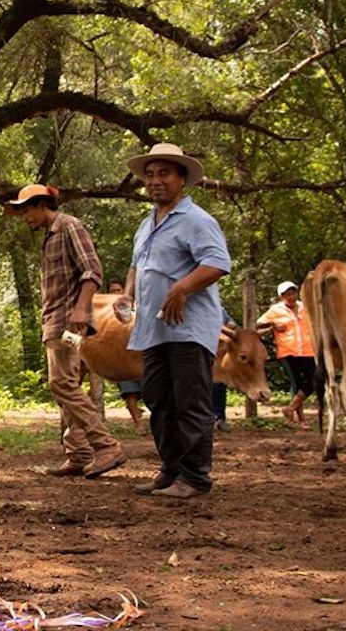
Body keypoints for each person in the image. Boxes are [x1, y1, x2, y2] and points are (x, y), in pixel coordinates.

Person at [114, 143, 230, 500]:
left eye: (164, 173)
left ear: (182, 179)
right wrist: (128, 294)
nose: (155, 181)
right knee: (159, 400)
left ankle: (195, 477)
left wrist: (182, 287)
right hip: (153, 329)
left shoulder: (197, 221)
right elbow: (138, 265)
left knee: (190, 401)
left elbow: (217, 263)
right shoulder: (146, 223)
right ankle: (171, 469)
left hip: (189, 327)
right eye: (149, 175)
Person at [5, 184, 126, 479]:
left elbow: (92, 270)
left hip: (69, 324)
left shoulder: (70, 226)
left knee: (61, 383)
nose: (24, 217)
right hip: (56, 322)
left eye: (26, 210)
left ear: (42, 204)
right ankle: (79, 453)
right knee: (68, 382)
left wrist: (82, 310)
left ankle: (105, 445)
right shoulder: (49, 237)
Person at [257, 280, 316, 428]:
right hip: (288, 351)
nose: (290, 296)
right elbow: (258, 323)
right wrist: (274, 324)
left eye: (292, 293)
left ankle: (290, 408)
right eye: (286, 294)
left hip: (308, 350)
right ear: (281, 297)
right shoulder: (275, 310)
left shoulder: (305, 307)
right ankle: (301, 420)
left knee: (314, 380)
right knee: (297, 383)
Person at [109, 278, 145, 432]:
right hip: (121, 358)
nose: (116, 294)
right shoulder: (107, 312)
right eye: (112, 291)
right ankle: (138, 424)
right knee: (129, 392)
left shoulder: (136, 307)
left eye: (118, 290)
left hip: (140, 356)